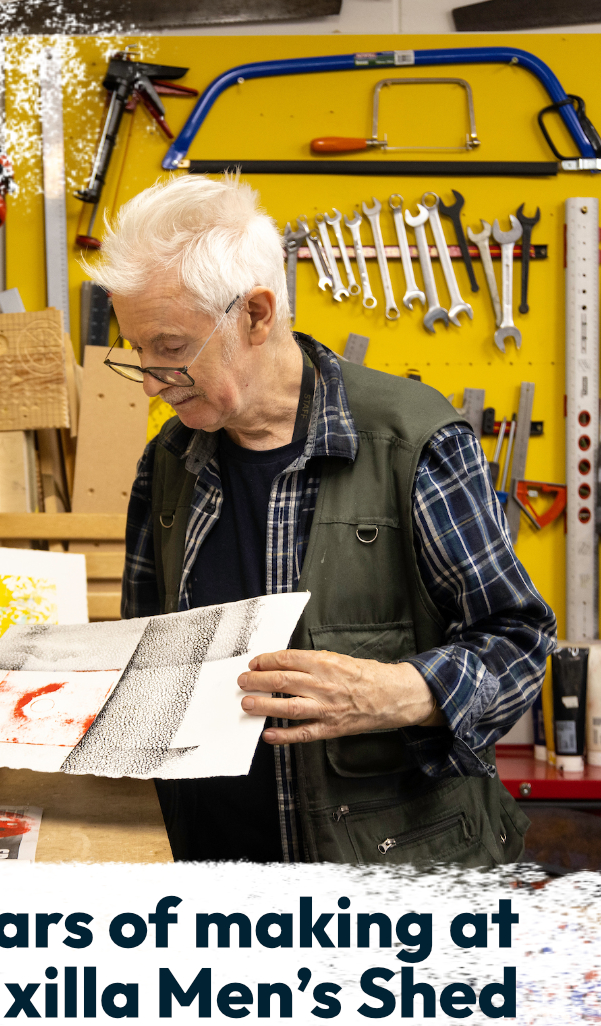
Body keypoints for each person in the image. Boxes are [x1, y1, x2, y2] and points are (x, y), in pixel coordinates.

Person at [84, 174, 555, 866]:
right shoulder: (171, 458)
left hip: (390, 888)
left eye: (171, 349)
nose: (151, 382)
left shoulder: (413, 441)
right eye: (140, 353)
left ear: (255, 315)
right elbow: (147, 653)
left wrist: (403, 691)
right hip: (210, 878)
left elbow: (520, 646)